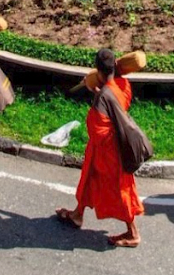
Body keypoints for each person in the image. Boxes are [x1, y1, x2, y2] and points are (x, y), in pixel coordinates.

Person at [55, 48, 145, 248]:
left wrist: (96, 98)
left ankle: (133, 233)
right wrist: (98, 93)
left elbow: (98, 132)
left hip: (109, 153)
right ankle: (77, 215)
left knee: (120, 190)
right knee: (88, 179)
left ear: (99, 71)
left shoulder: (102, 98)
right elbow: (114, 101)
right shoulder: (123, 85)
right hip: (104, 150)